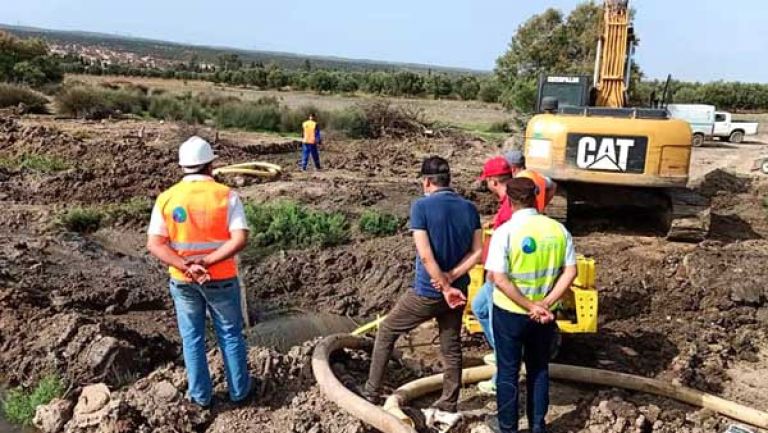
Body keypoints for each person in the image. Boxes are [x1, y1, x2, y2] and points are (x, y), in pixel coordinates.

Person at [364, 156, 482, 413]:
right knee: (451, 345)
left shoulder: (421, 207)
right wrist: (452, 278)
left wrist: (442, 283)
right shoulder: (469, 208)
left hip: (429, 292)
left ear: (427, 181)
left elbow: (426, 255)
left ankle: (371, 393)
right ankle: (449, 401)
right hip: (458, 290)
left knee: (386, 331)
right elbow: (477, 252)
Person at [147, 136, 251, 407]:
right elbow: (239, 239)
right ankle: (240, 393)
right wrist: (207, 262)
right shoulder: (226, 196)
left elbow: (155, 244)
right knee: (230, 334)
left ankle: (201, 397)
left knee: (192, 338)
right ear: (210, 165)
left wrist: (187, 266)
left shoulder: (167, 198)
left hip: (183, 280)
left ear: (183, 166)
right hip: (221, 279)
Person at [484, 178, 577, 433]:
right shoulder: (558, 230)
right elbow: (570, 273)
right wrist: (545, 303)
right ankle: (538, 426)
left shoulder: (505, 232)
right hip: (545, 315)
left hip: (510, 313)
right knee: (538, 369)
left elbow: (498, 278)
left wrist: (528, 305)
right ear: (536, 197)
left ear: (510, 200)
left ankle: (508, 427)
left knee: (508, 372)